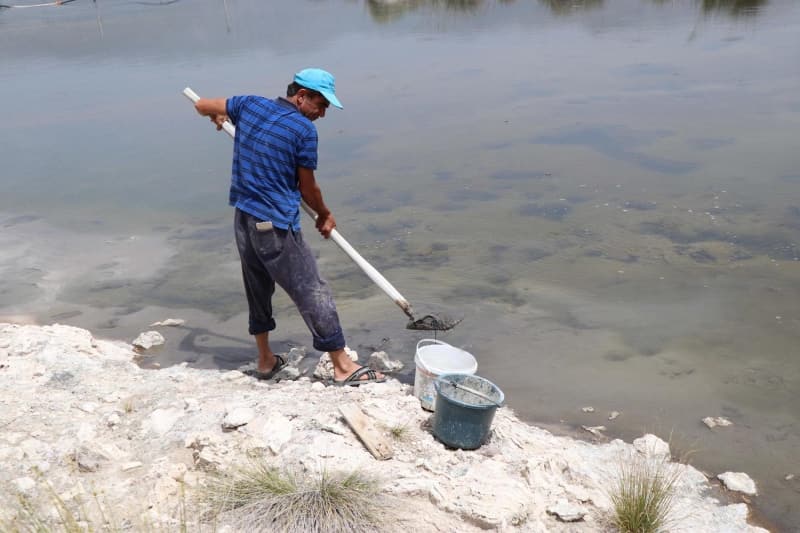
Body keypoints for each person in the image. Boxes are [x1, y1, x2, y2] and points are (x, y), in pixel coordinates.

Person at [194, 68, 385, 386]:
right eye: (321, 105)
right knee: (311, 288)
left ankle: (265, 360)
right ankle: (342, 365)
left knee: (257, 287)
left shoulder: (249, 104)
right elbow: (307, 188)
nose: (322, 114)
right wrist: (324, 214)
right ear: (301, 96)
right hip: (274, 224)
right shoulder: (303, 130)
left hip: (244, 218)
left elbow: (201, 105)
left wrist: (217, 114)